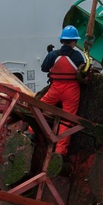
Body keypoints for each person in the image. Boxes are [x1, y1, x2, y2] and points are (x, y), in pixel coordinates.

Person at [40, 25, 86, 156]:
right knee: (67, 121)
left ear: (62, 40)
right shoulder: (77, 56)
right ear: (74, 41)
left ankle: (31, 132)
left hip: (55, 89)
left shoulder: (53, 55)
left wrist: (50, 54)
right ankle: (60, 152)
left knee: (39, 108)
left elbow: (44, 68)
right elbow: (83, 73)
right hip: (71, 91)